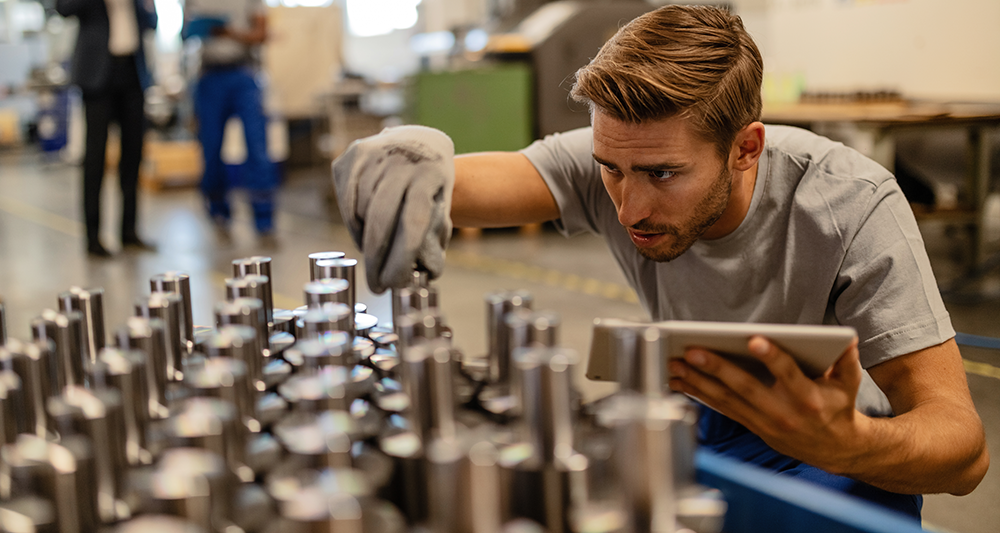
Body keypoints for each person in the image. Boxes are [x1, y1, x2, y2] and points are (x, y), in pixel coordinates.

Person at [331, 5, 989, 519]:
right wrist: (412, 158)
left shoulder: (851, 202)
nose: (629, 206)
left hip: (831, 435)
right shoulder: (619, 152)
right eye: (610, 170)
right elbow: (470, 185)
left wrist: (843, 442)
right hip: (696, 414)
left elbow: (963, 450)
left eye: (663, 173)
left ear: (745, 148)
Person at [56, 0, 158, 257]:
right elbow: (64, 7)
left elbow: (152, 23)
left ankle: (129, 231)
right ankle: (93, 237)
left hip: (133, 73)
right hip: (97, 74)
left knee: (133, 155)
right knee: (95, 157)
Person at [183, 0, 277, 242]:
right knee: (211, 149)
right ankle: (218, 213)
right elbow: (185, 33)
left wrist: (229, 33)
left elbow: (262, 33)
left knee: (257, 148)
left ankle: (264, 221)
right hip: (209, 77)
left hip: (243, 75)